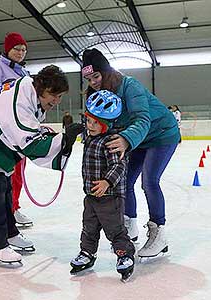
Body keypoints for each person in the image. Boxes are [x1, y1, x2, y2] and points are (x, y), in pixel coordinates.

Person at [0, 65, 84, 263]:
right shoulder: (21, 99)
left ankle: (10, 232)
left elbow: (29, 132)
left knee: (5, 185)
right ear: (41, 88)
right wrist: (63, 140)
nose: (56, 101)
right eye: (53, 95)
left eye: (60, 96)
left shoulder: (31, 93)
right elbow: (29, 143)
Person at [82, 48, 180, 258]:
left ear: (107, 72)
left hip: (161, 134)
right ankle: (130, 225)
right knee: (124, 180)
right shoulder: (96, 94)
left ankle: (159, 233)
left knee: (149, 181)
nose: (93, 82)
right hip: (139, 139)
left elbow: (142, 119)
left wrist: (126, 139)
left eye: (96, 76)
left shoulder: (129, 86)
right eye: (89, 79)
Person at [70, 90, 135, 281]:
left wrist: (107, 182)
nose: (89, 125)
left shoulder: (111, 141)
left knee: (114, 229)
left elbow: (119, 165)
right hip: (91, 195)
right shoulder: (90, 136)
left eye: (93, 122)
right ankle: (87, 253)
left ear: (105, 125)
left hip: (110, 197)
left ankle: (125, 254)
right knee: (88, 227)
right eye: (87, 120)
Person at [0, 32, 32, 227]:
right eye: (17, 49)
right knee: (4, 176)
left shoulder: (25, 74)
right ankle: (5, 213)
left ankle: (14, 207)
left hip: (20, 133)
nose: (20, 53)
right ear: (7, 49)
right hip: (2, 132)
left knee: (18, 174)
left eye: (24, 50)